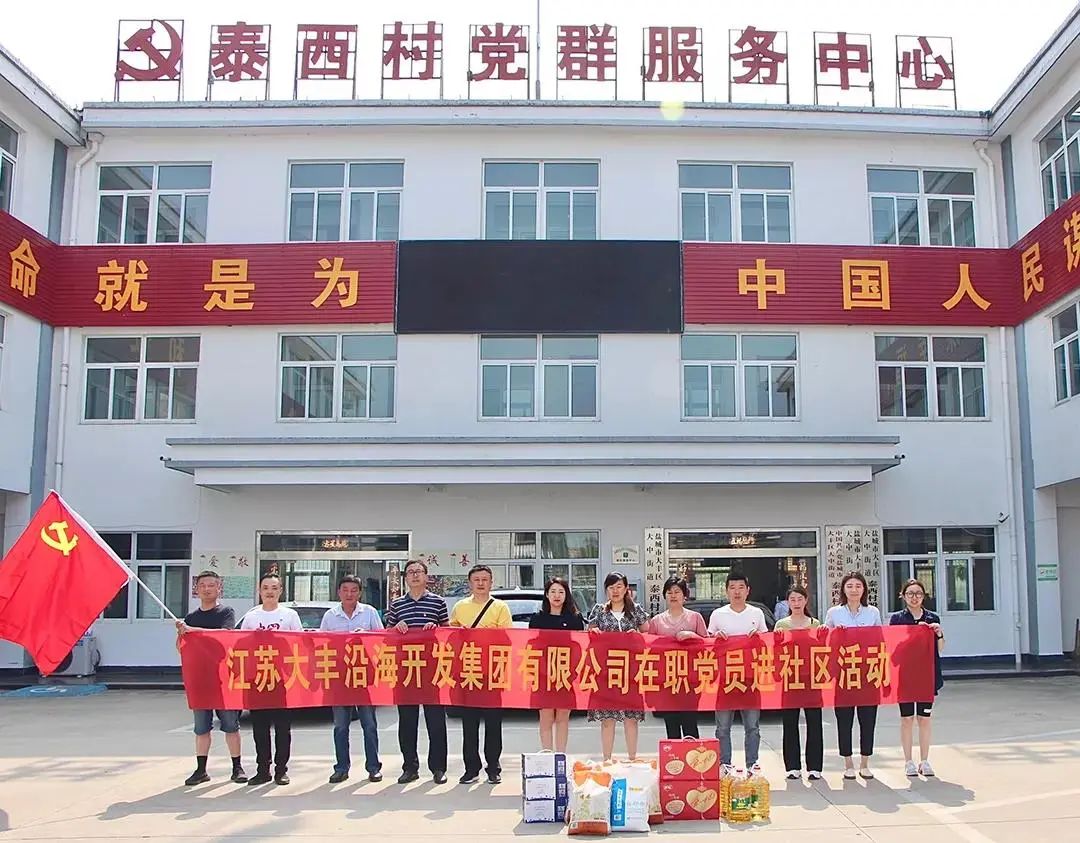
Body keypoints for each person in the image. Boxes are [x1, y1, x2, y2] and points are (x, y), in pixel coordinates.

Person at [175, 570, 247, 786]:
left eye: (211, 585)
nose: (207, 589)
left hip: (223, 678)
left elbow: (224, 636)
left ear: (219, 588)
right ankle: (201, 770)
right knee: (201, 728)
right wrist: (181, 634)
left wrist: (192, 630)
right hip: (200, 679)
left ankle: (237, 767)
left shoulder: (226, 612)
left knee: (231, 725)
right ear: (196, 590)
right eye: (203, 585)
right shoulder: (190, 618)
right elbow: (181, 648)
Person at [386, 559, 450, 784]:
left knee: (436, 722)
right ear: (405, 578)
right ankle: (410, 767)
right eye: (411, 572)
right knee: (407, 722)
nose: (415, 575)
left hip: (432, 670)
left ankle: (438, 768)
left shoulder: (438, 602)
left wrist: (436, 629)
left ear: (426, 576)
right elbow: (387, 634)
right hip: (405, 670)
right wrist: (396, 628)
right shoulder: (396, 604)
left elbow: (447, 633)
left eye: (419, 572)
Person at [449, 564, 513, 785]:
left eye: (485, 579)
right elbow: (452, 636)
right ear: (470, 583)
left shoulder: (500, 607)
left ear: (491, 583)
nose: (480, 583)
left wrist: (488, 635)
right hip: (468, 672)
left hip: (492, 672)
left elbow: (507, 638)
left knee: (493, 724)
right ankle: (471, 768)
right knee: (469, 725)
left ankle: (493, 767)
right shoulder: (460, 607)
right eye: (476, 579)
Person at [239, 573, 304, 786]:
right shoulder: (251, 617)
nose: (269, 592)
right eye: (266, 587)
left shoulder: (290, 615)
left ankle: (281, 770)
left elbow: (300, 643)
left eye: (274, 588)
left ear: (280, 591)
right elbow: (241, 645)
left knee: (283, 728)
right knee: (260, 727)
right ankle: (262, 770)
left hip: (281, 679)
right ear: (259, 591)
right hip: (257, 679)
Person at [320, 574, 384, 784]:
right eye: (345, 590)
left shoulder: (369, 612)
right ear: (339, 592)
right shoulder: (330, 616)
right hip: (340, 678)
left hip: (364, 677)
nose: (349, 594)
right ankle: (341, 768)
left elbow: (382, 641)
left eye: (354, 590)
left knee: (369, 725)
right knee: (340, 726)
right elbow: (321, 645)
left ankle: (373, 767)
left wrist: (365, 636)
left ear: (360, 592)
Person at [825, 572, 883, 780]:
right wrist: (835, 634)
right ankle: (848, 762)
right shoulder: (834, 613)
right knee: (844, 719)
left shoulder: (872, 612)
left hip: (867, 673)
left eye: (858, 586)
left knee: (868, 719)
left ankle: (865, 763)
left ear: (864, 589)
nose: (854, 590)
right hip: (844, 673)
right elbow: (825, 642)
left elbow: (880, 640)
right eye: (849, 586)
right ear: (843, 589)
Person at [586, 571, 650, 761]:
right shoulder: (599, 611)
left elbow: (648, 635)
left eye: (619, 587)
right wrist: (594, 633)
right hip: (606, 672)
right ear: (606, 590)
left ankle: (632, 758)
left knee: (631, 718)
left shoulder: (636, 610)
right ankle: (607, 759)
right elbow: (589, 634)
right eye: (611, 587)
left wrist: (637, 635)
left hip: (630, 671)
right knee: (608, 719)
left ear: (626, 589)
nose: (615, 591)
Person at [707, 573, 768, 771]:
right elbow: (708, 645)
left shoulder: (756, 613)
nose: (737, 592)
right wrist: (716, 638)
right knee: (723, 727)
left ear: (748, 590)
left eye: (741, 587)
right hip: (726, 678)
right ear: (726, 591)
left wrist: (758, 637)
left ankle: (752, 763)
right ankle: (724, 763)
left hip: (750, 678)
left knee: (752, 726)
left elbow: (766, 643)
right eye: (732, 587)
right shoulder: (718, 615)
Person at [889, 578, 945, 777]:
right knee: (906, 719)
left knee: (924, 718)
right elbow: (892, 649)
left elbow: (940, 649)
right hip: (905, 677)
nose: (914, 597)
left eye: (918, 594)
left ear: (924, 596)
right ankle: (908, 761)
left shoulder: (932, 618)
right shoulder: (897, 619)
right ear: (903, 596)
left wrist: (938, 633)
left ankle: (925, 760)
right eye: (910, 594)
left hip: (926, 677)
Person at [528, 577, 586, 752]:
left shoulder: (575, 619)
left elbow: (579, 647)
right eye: (552, 591)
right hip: (543, 675)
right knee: (546, 717)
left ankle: (560, 755)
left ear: (566, 595)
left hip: (565, 675)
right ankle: (547, 755)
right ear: (546, 595)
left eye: (561, 592)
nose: (557, 595)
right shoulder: (537, 619)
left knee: (562, 717)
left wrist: (573, 672)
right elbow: (532, 646)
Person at [646, 576, 707, 739]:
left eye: (677, 592)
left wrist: (692, 635)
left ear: (685, 595)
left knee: (690, 723)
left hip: (690, 680)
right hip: (667, 680)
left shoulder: (695, 618)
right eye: (669, 592)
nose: (673, 595)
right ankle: (674, 755)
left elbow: (707, 645)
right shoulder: (656, 621)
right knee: (671, 724)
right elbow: (650, 652)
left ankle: (692, 755)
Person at [773, 586, 823, 780]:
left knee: (814, 723)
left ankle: (814, 767)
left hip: (811, 679)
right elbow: (775, 651)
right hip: (790, 678)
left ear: (805, 600)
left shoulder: (815, 623)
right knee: (790, 723)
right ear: (788, 602)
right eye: (792, 599)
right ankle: (793, 766)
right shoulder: (781, 624)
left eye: (799, 599)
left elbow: (821, 650)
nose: (796, 603)